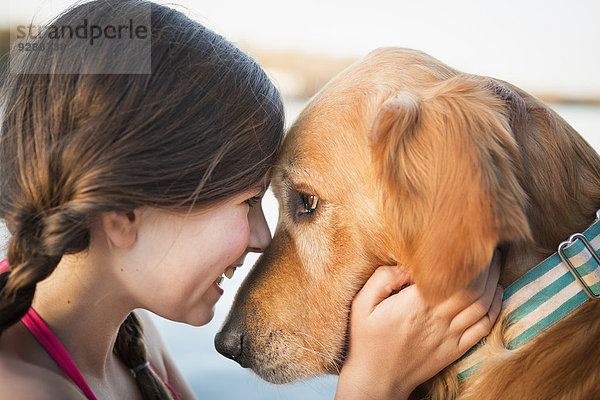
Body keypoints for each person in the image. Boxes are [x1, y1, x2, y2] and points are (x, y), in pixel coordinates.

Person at [0, 1, 502, 399]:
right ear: (124, 214)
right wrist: (372, 388)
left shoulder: (134, 338)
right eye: (247, 202)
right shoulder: (24, 391)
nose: (263, 238)